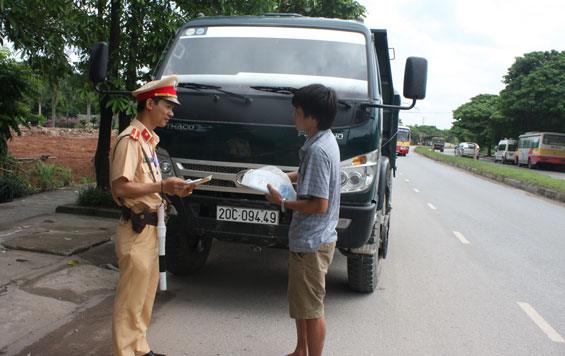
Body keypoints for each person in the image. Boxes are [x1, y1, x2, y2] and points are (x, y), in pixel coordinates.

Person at [110, 75, 194, 356]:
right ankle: (125, 351)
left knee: (144, 297)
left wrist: (173, 190)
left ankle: (140, 349)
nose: (171, 113)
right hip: (136, 230)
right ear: (149, 104)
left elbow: (148, 188)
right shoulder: (130, 140)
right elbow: (120, 187)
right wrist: (161, 186)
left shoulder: (148, 141)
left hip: (151, 229)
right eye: (167, 106)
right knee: (130, 300)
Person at [265, 84, 341, 356]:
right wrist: (280, 176)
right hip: (306, 238)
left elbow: (319, 205)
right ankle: (300, 350)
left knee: (312, 308)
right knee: (301, 303)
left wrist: (282, 202)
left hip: (312, 242)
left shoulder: (319, 151)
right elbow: (304, 173)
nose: (293, 116)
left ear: (313, 117)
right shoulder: (319, 141)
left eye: (298, 111)